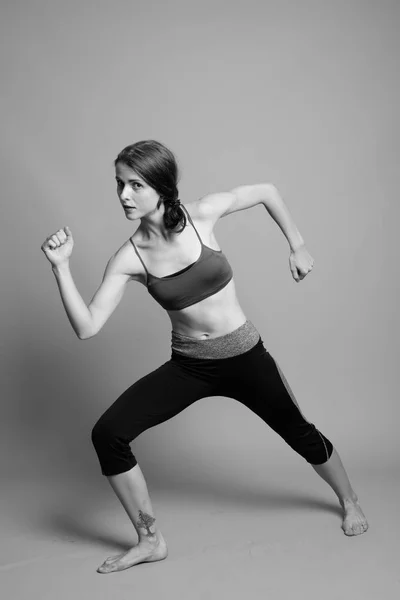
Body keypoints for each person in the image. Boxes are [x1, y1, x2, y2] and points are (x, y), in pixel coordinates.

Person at [41, 139, 368, 574]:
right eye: (119, 184)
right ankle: (149, 539)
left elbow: (266, 190)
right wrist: (61, 268)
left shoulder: (202, 215)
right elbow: (87, 327)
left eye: (135, 185)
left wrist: (297, 244)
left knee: (299, 432)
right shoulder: (129, 258)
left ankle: (349, 500)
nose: (123, 195)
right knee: (108, 433)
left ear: (160, 186)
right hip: (191, 366)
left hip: (245, 355)